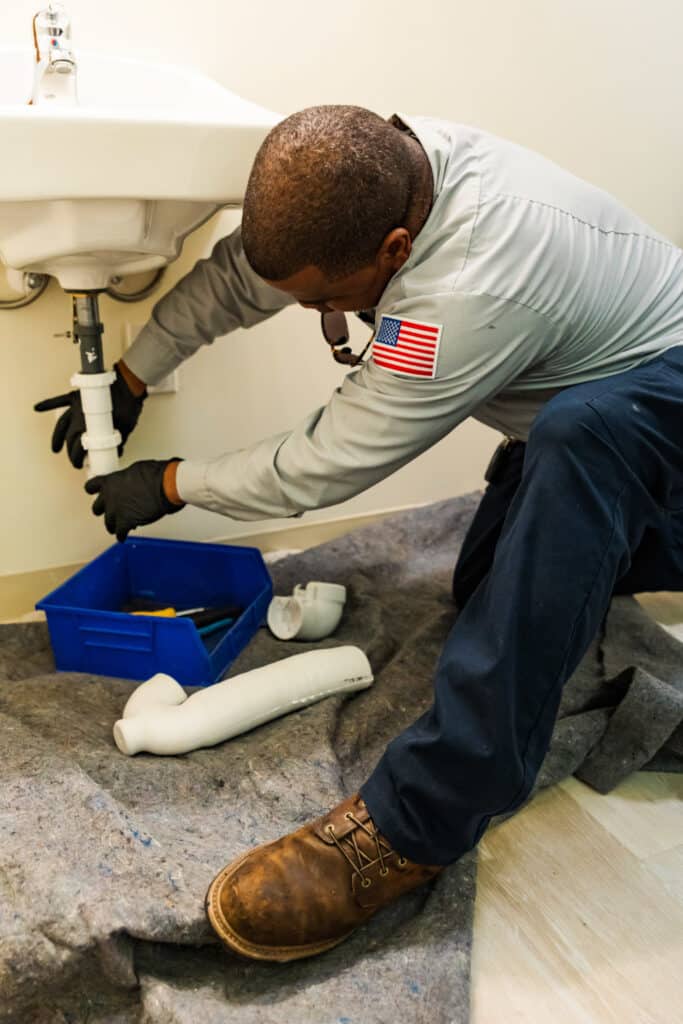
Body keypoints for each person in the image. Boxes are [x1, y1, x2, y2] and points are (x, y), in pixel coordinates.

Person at [35, 105, 683, 963]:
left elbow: (328, 461)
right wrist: (133, 369)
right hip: (607, 406)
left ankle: (418, 819)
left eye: (328, 300)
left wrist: (168, 483)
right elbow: (245, 277)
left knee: (579, 440)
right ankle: (579, 522)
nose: (316, 313)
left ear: (395, 250)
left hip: (657, 407)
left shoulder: (465, 288)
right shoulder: (383, 172)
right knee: (492, 584)